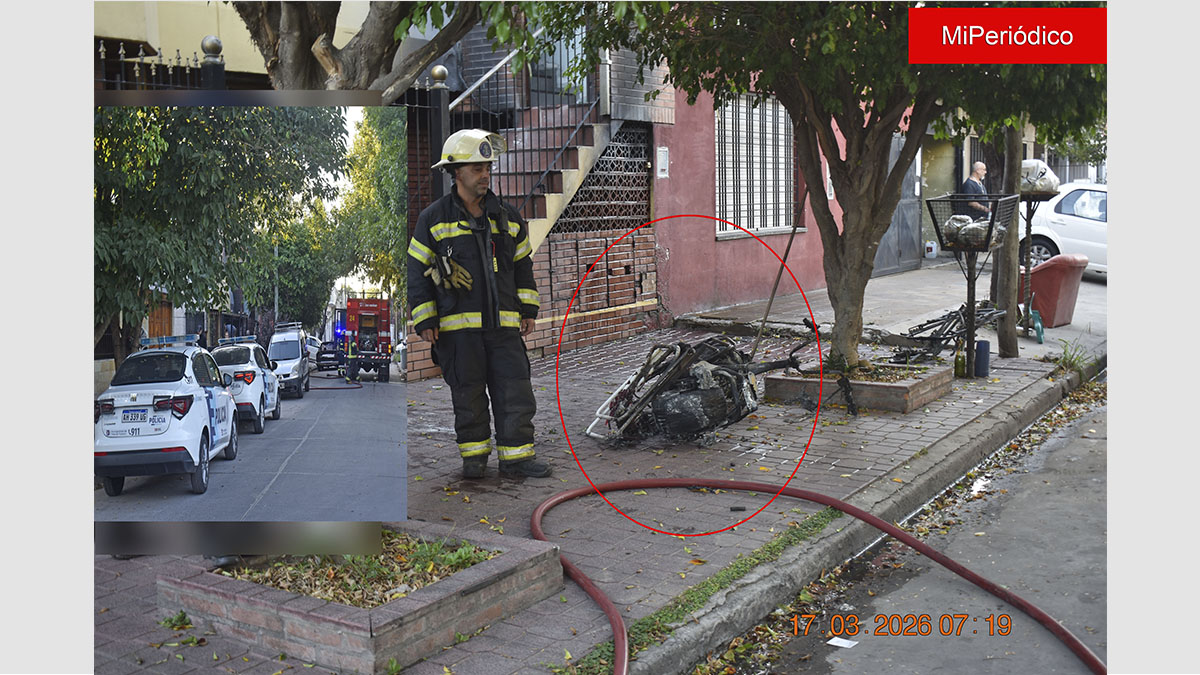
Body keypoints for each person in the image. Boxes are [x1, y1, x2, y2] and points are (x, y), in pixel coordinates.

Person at [407, 129, 550, 479]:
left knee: (514, 390)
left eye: (488, 167)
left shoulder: (507, 217)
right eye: (476, 168)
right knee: (468, 396)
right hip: (458, 331)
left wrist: (528, 309)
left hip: (503, 328)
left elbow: (522, 265)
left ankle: (516, 459)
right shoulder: (433, 220)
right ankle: (474, 460)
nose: (485, 175)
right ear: (456, 172)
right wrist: (425, 319)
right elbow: (416, 268)